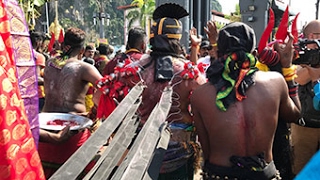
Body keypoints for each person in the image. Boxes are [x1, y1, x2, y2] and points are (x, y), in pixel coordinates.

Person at [190, 22, 301, 179]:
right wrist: (287, 69)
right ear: (254, 53)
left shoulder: (200, 94)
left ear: (218, 51)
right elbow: (295, 115)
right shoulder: (276, 82)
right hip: (265, 174)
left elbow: (206, 151)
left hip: (220, 175)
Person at [39, 27, 103, 178]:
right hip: (72, 133)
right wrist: (94, 111)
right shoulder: (84, 68)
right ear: (82, 50)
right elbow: (105, 87)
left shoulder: (49, 63)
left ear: (62, 45)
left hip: (44, 132)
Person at [291, 20, 320, 176]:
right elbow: (299, 78)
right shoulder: (299, 54)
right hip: (304, 126)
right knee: (301, 169)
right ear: (311, 36)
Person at [30, 31, 46, 112]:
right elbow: (36, 78)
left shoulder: (20, 54)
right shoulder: (38, 57)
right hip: (37, 96)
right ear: (38, 42)